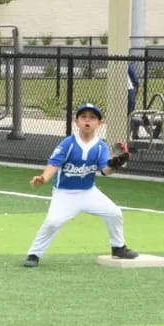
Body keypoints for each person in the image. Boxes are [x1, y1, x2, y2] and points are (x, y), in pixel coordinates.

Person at [23, 103, 138, 268]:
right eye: (83, 117)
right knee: (52, 222)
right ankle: (34, 254)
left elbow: (104, 171)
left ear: (100, 123)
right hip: (64, 194)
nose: (87, 121)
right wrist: (44, 178)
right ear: (76, 121)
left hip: (88, 192)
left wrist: (115, 165)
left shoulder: (100, 146)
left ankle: (118, 247)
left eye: (92, 118)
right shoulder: (68, 144)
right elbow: (53, 164)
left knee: (114, 213)